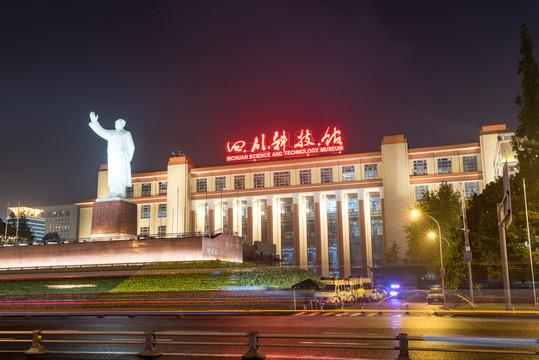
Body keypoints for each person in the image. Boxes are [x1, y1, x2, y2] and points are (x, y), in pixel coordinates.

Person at [89, 111, 135, 198]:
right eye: (116, 123)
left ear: (123, 125)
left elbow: (131, 147)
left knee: (120, 175)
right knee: (113, 175)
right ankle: (112, 193)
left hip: (122, 156)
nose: (117, 124)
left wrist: (127, 159)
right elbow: (101, 131)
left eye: (119, 123)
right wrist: (95, 122)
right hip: (113, 156)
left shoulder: (126, 134)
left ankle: (120, 193)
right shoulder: (111, 133)